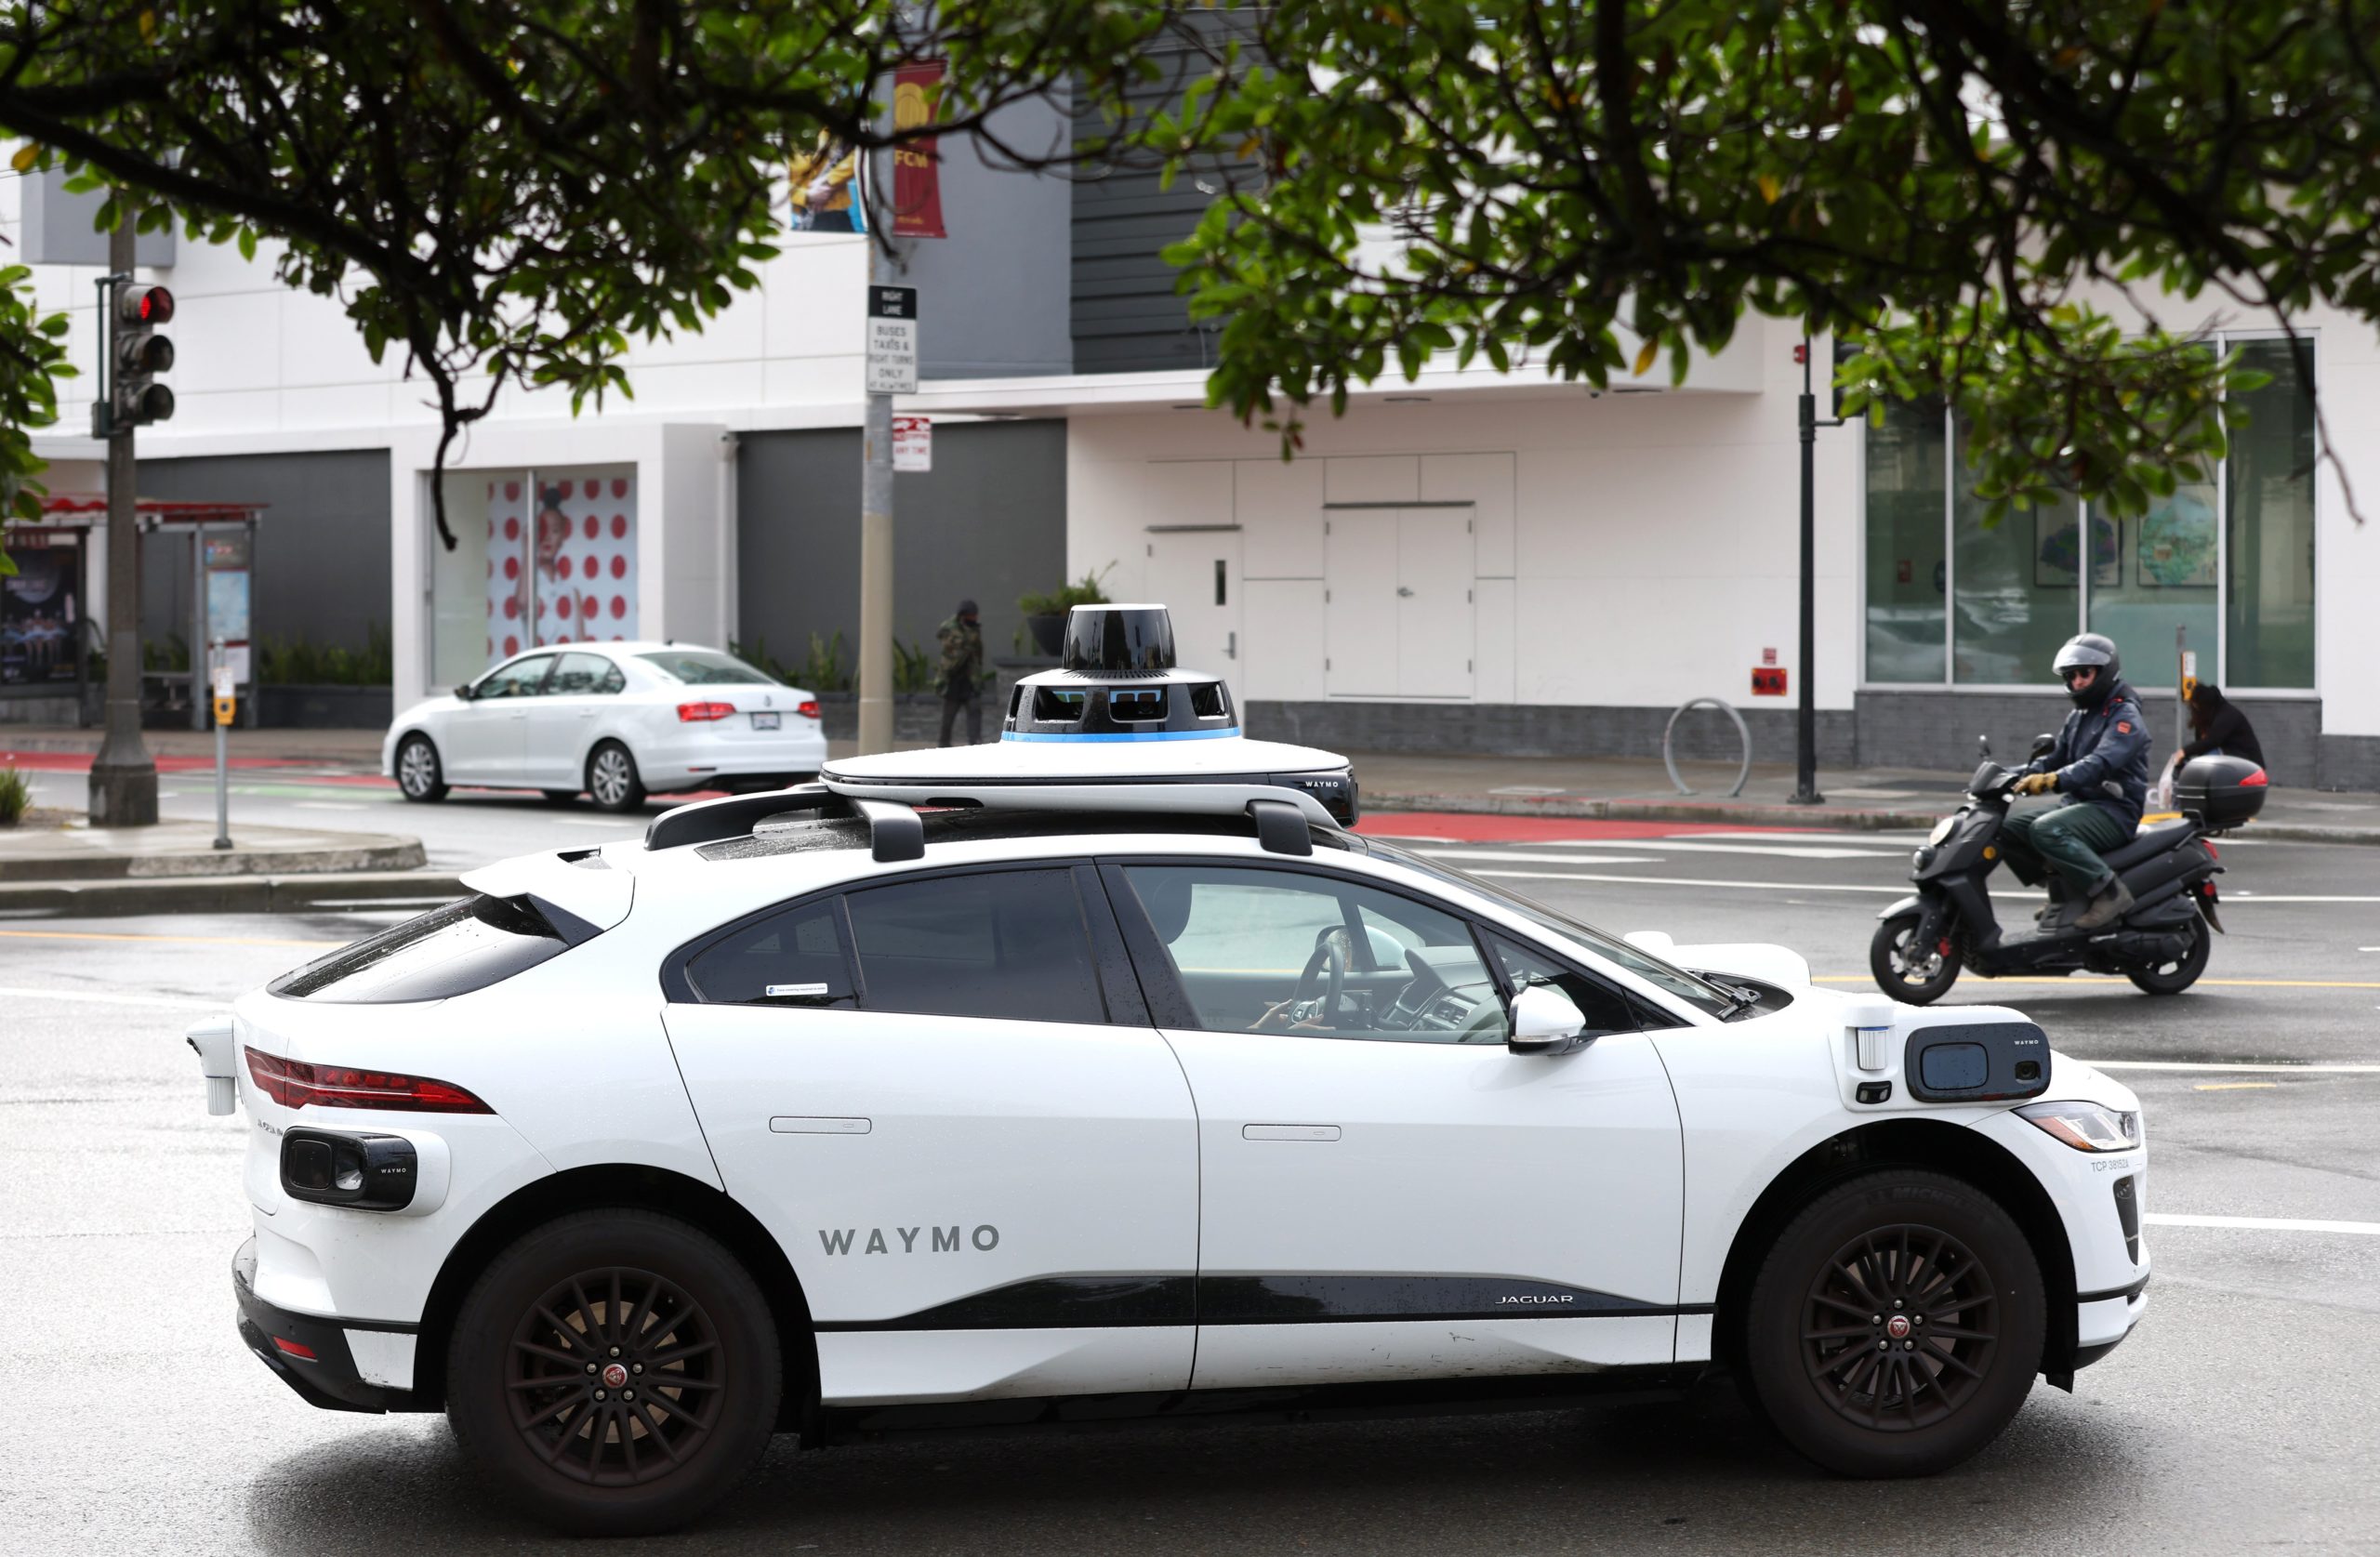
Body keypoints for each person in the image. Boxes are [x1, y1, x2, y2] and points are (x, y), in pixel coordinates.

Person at [2003, 633, 2153, 931]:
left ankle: (2110, 893)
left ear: (2104, 672)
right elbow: (2054, 758)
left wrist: (2053, 780)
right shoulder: (2080, 715)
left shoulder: (2124, 714)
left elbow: (2099, 764)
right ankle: (2065, 890)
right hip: (2081, 804)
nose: (2078, 682)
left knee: (2046, 829)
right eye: (2072, 676)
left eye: (2085, 673)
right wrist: (2007, 775)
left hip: (2114, 810)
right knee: (2007, 828)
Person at [2174, 682, 2266, 772]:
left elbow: (2211, 741)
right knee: (2205, 759)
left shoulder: (2227, 715)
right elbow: (2202, 746)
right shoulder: (2209, 718)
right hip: (2239, 760)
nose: (2195, 712)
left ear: (2205, 706)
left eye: (2197, 708)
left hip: (2251, 764)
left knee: (2210, 758)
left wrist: (2184, 752)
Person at [935, 599, 986, 747]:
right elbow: (950, 650)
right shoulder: (950, 628)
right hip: (953, 680)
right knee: (948, 717)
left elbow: (978, 653)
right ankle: (943, 745)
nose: (975, 618)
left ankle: (975, 743)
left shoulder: (974, 629)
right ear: (964, 615)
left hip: (971, 680)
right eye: (972, 615)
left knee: (975, 711)